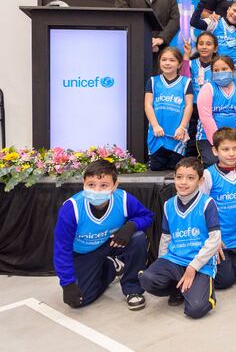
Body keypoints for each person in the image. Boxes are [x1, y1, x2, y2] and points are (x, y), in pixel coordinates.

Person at [54, 160, 152, 311]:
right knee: (79, 300)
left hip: (111, 243)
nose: (97, 190)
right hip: (83, 253)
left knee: (137, 238)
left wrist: (131, 226)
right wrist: (67, 284)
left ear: (115, 186)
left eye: (104, 185)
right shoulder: (71, 209)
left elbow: (147, 216)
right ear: (83, 183)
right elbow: (61, 249)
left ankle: (132, 288)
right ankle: (111, 267)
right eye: (91, 185)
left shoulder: (123, 199)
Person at [139, 158, 221, 319]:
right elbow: (166, 237)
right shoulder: (168, 204)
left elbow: (215, 239)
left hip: (200, 263)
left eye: (190, 178)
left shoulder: (207, 203)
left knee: (196, 309)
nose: (183, 182)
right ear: (174, 178)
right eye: (179, 177)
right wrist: (161, 264)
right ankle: (176, 289)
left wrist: (193, 267)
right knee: (147, 279)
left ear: (200, 180)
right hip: (174, 259)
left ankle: (200, 290)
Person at [200, 128, 236, 289]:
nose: (231, 153)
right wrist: (211, 240)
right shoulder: (208, 175)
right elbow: (199, 211)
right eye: (225, 149)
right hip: (217, 239)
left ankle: (231, 263)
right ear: (215, 151)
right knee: (225, 281)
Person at [196, 55, 236, 166]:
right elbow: (206, 117)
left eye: (224, 69)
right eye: (216, 70)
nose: (220, 72)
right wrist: (217, 141)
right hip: (208, 138)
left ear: (233, 70)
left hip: (234, 138)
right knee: (214, 162)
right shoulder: (207, 88)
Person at [145, 46, 193, 170]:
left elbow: (189, 106)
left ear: (179, 64)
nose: (167, 63)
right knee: (156, 167)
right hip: (158, 135)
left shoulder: (186, 82)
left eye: (172, 60)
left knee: (176, 167)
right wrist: (155, 125)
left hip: (176, 135)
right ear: (159, 62)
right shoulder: (153, 81)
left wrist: (182, 127)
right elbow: (148, 105)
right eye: (164, 59)